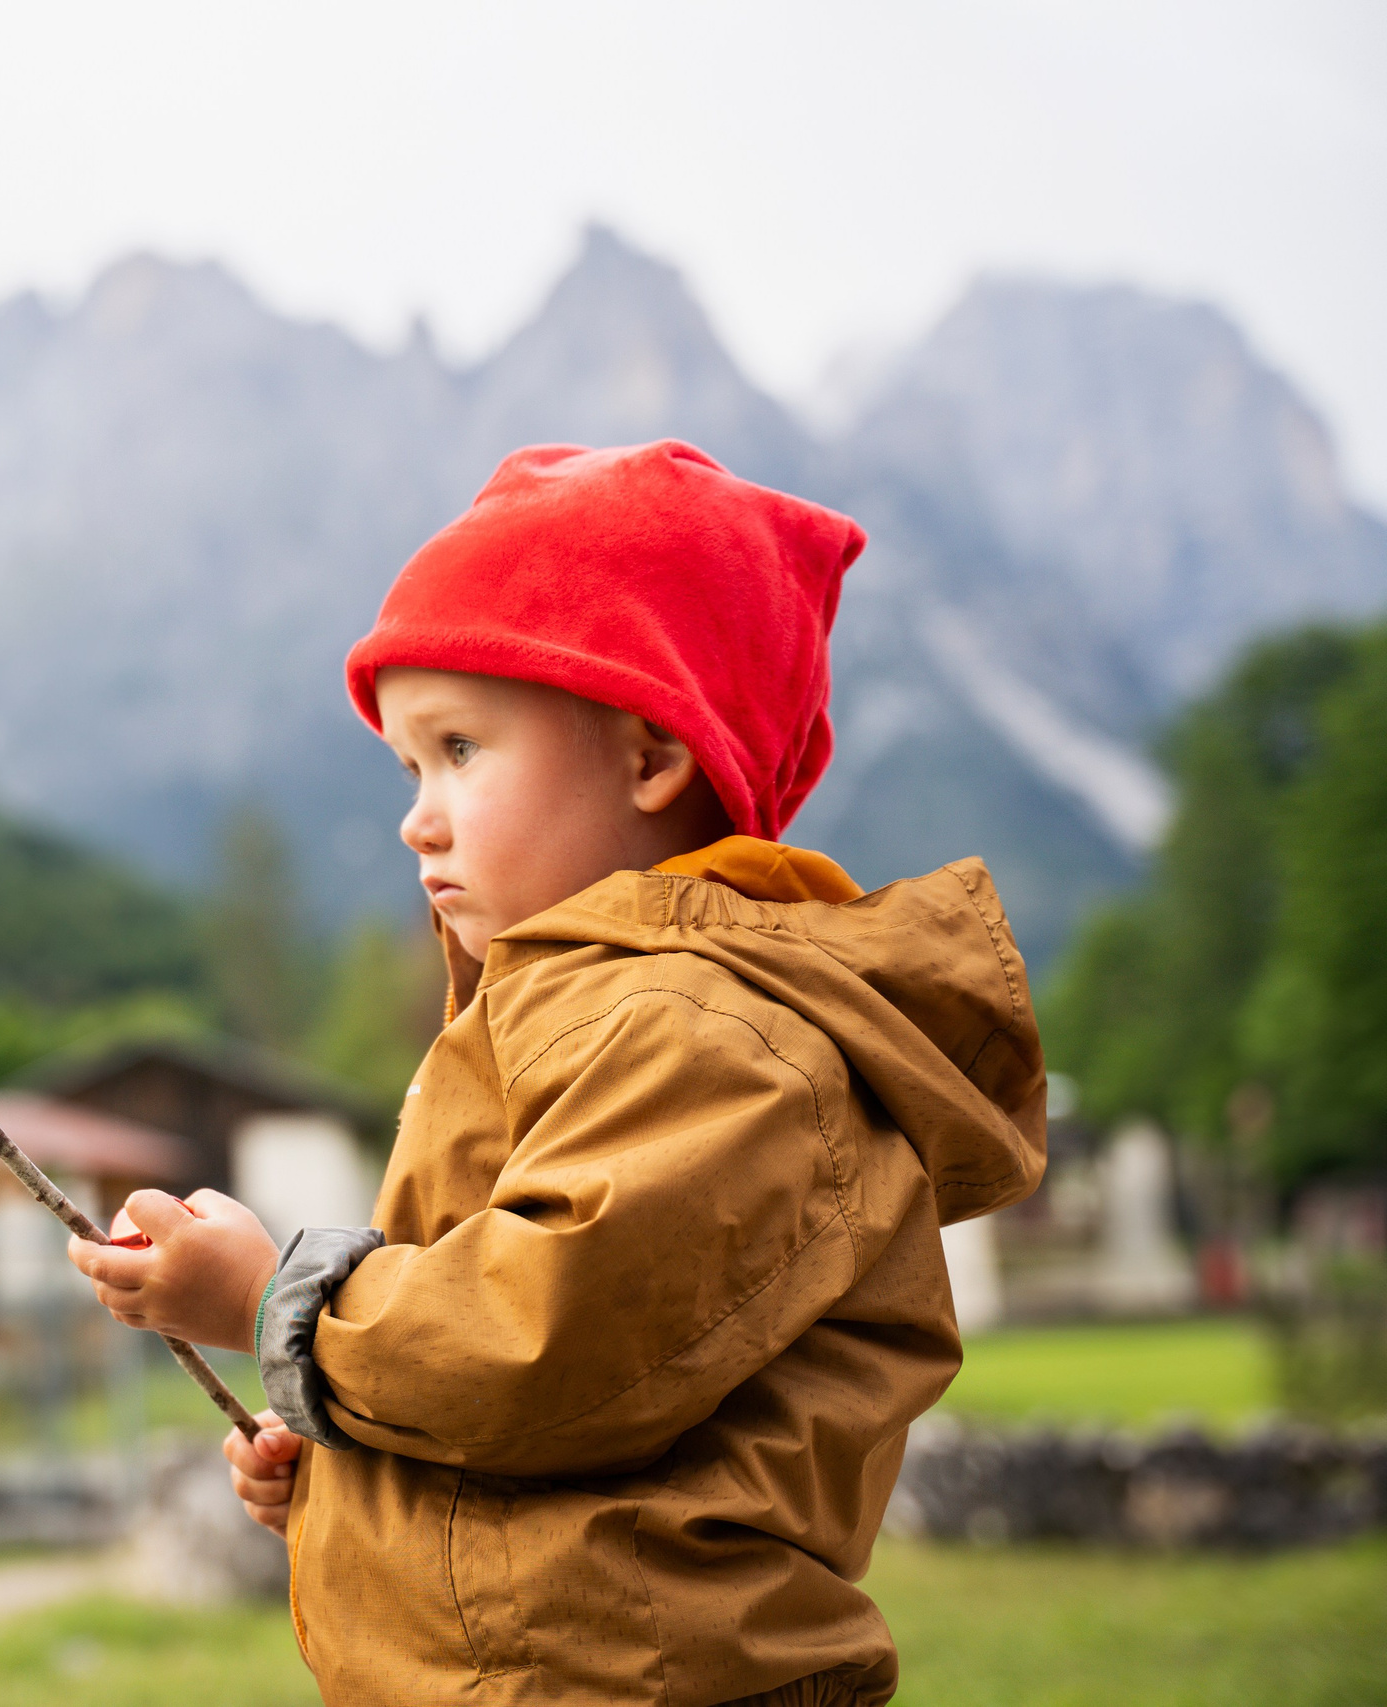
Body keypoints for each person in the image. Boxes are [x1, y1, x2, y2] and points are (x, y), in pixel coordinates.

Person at [68, 441, 1046, 1707]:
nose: (418, 815)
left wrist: (278, 1306)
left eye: (461, 750)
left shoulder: (714, 1039)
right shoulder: (578, 1013)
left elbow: (539, 1347)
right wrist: (355, 1472)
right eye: (409, 767)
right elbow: (553, 1431)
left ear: (649, 760)